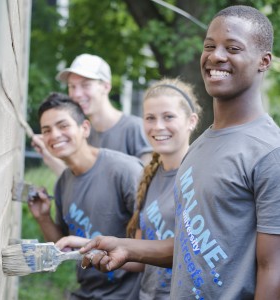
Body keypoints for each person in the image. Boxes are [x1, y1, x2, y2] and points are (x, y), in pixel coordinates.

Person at [79, 5, 280, 300]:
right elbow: (192, 245)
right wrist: (129, 247)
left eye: (233, 48)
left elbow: (273, 270)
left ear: (264, 61)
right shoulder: (200, 145)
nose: (216, 56)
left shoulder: (269, 152)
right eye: (209, 46)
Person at [56, 77, 202, 299]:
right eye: (150, 118)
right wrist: (88, 246)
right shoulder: (149, 177)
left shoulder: (202, 175)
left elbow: (196, 251)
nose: (158, 126)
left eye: (168, 117)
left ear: (191, 121)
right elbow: (139, 257)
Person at [28, 92, 143, 300]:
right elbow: (64, 247)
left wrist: (87, 244)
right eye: (46, 130)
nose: (54, 135)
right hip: (88, 292)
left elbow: (149, 253)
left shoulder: (125, 171)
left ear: (85, 128)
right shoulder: (63, 182)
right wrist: (43, 217)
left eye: (63, 126)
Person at [32, 53, 152, 176]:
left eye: (85, 85)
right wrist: (47, 154)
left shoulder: (135, 128)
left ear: (106, 87)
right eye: (72, 86)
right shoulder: (80, 133)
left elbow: (146, 185)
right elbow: (77, 184)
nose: (77, 94)